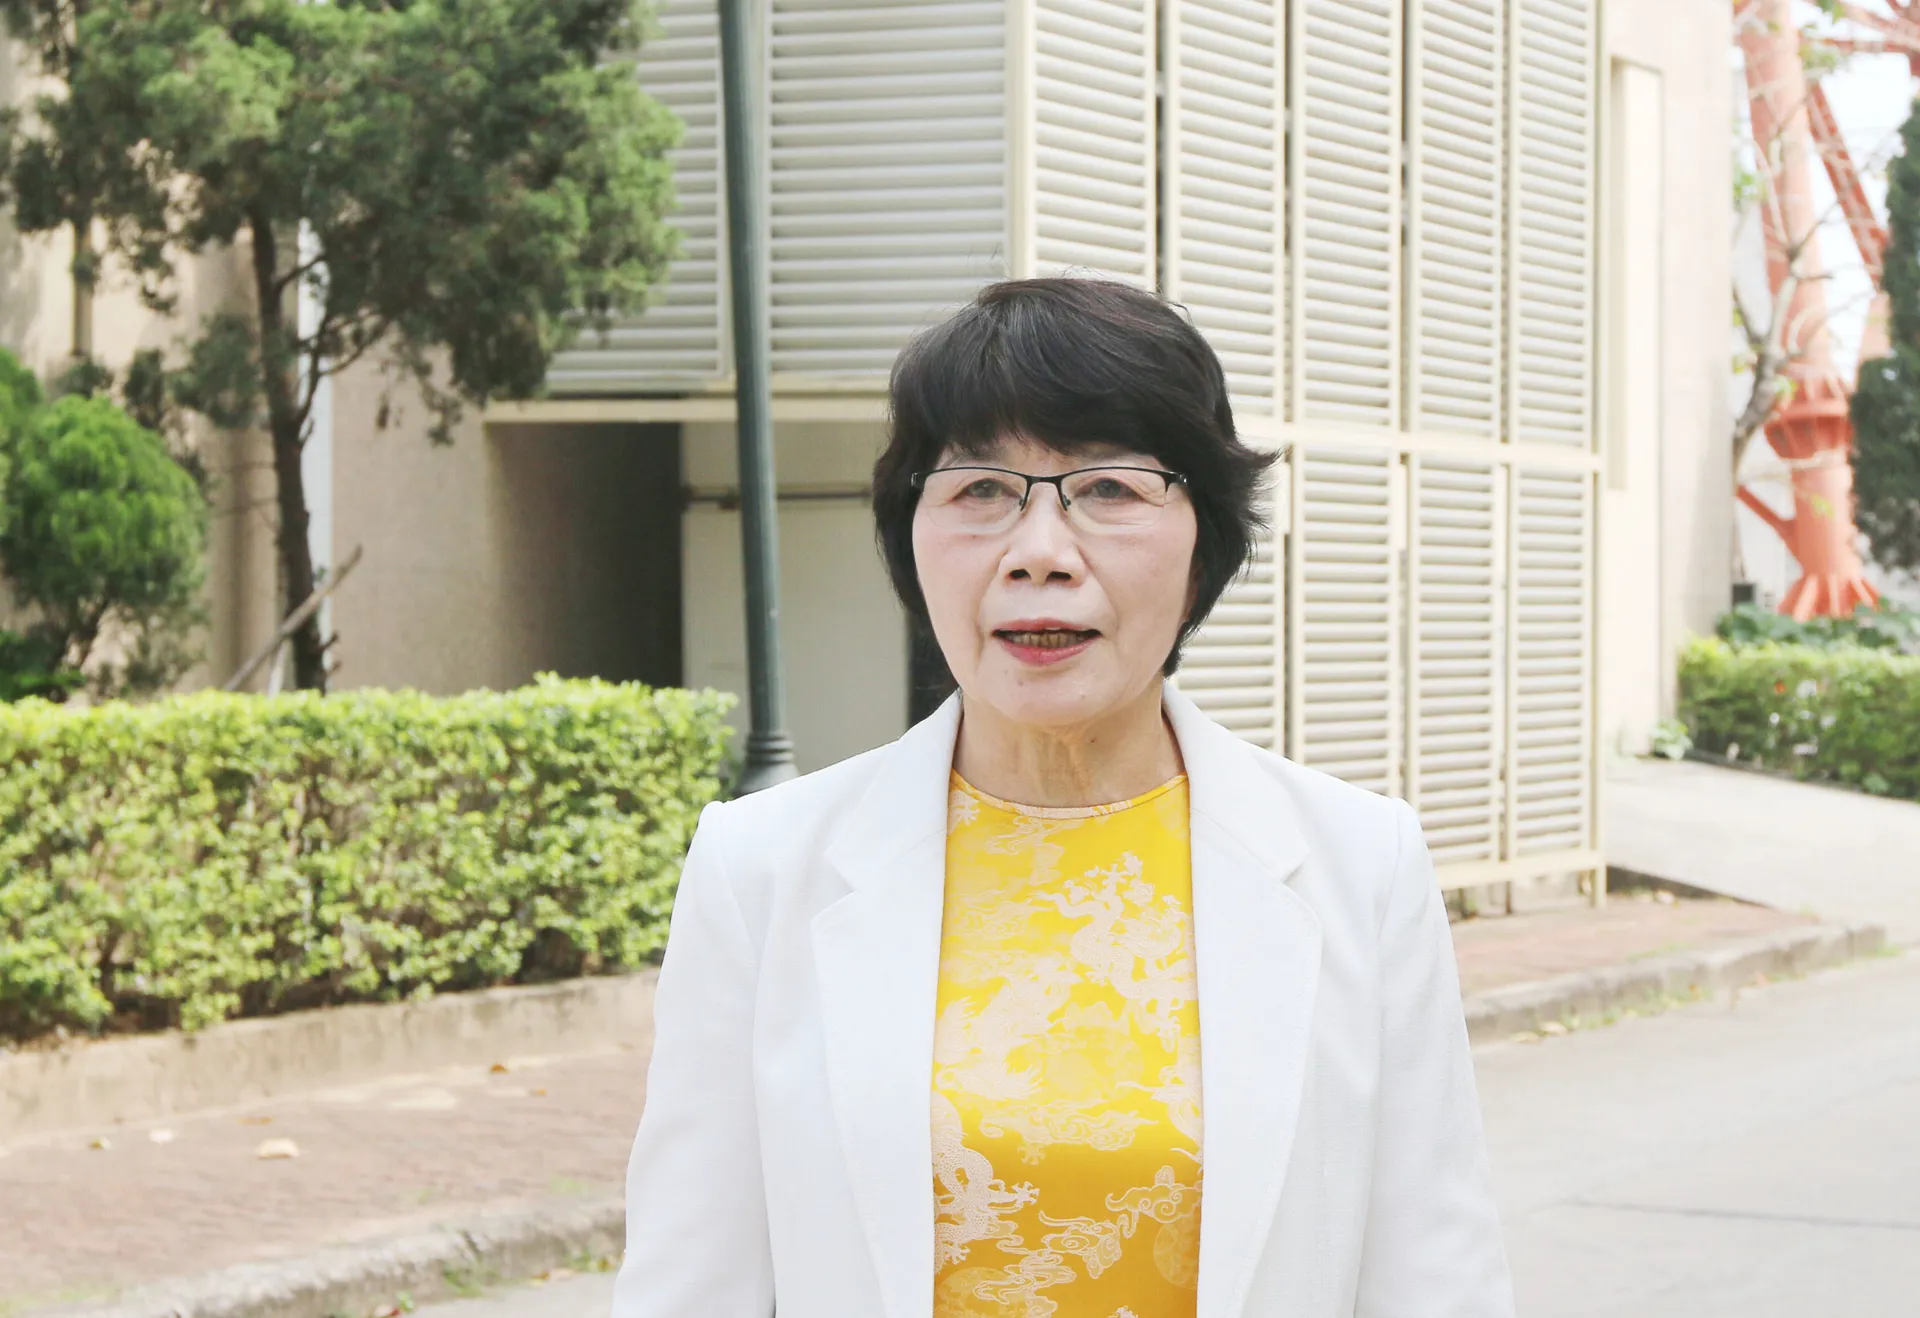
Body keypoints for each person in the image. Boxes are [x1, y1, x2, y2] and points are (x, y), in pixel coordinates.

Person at [611, 278, 1514, 1318]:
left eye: (1111, 488)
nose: (1039, 554)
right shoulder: (760, 869)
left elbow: (1436, 1279)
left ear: (1205, 545)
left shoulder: (1363, 866)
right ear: (911, 536)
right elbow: (690, 1287)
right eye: (981, 490)